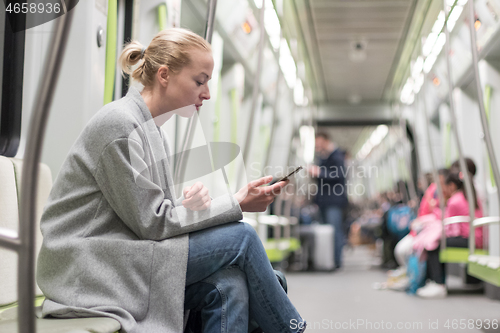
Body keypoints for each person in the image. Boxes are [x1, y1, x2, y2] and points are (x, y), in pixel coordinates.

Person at [36, 28, 306, 333]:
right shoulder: (120, 125)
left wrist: (184, 205)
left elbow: (146, 212)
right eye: (199, 81)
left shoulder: (152, 130)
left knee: (229, 283)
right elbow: (153, 223)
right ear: (164, 75)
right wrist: (236, 202)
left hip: (123, 254)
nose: (206, 94)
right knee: (242, 238)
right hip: (89, 267)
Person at [417, 158, 483, 298]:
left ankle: (439, 283)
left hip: (469, 239)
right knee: (439, 242)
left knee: (435, 244)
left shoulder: (454, 201)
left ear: (451, 186)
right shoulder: (468, 195)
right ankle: (437, 282)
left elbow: (451, 228)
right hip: (475, 237)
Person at [308, 132, 348, 269]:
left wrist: (319, 173)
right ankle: (327, 260)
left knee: (334, 231)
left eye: (319, 142)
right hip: (324, 200)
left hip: (334, 201)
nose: (317, 146)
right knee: (326, 231)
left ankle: (336, 261)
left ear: (326, 141)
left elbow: (339, 175)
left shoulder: (337, 156)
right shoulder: (322, 157)